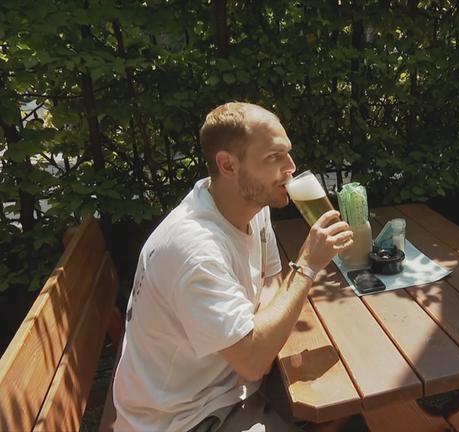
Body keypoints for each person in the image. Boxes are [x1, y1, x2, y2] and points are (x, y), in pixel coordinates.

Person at [112, 102, 353, 431]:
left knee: (351, 380)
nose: (291, 168)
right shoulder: (194, 250)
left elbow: (269, 281)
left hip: (229, 384)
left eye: (288, 154)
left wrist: (262, 339)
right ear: (227, 164)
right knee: (341, 394)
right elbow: (253, 362)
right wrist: (308, 265)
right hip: (183, 418)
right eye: (273, 158)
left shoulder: (251, 204)